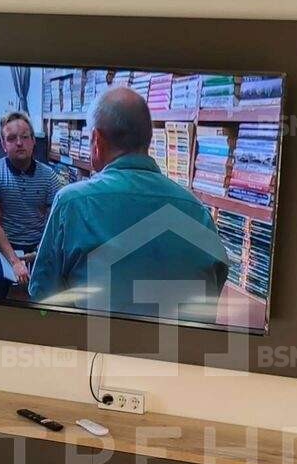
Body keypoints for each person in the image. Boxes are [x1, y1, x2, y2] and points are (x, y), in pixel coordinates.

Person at [28, 88, 229, 322]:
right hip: (178, 343)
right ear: (148, 139)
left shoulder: (72, 204)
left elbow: (43, 296)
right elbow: (214, 286)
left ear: (96, 140)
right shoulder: (197, 212)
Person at [0, 111, 67, 298]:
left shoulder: (49, 176)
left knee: (56, 286)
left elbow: (54, 224)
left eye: (25, 137)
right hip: (4, 245)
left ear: (33, 141)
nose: (19, 143)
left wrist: (39, 252)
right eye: (11, 138)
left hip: (38, 245)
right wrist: (15, 262)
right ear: (3, 145)